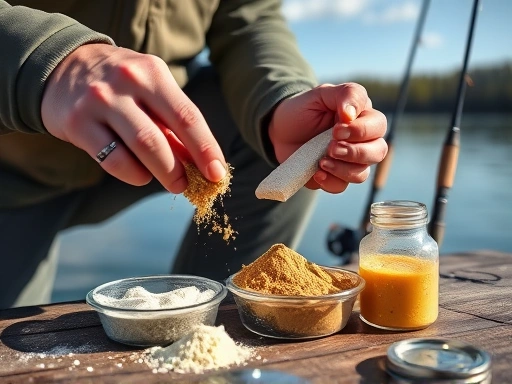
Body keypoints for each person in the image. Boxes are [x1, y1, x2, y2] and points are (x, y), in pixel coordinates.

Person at [0, 0, 387, 309]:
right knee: (17, 349)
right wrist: (42, 61)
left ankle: (206, 338)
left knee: (273, 142)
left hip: (164, 149)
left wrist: (276, 103)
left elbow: (249, 18)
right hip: (12, 171)